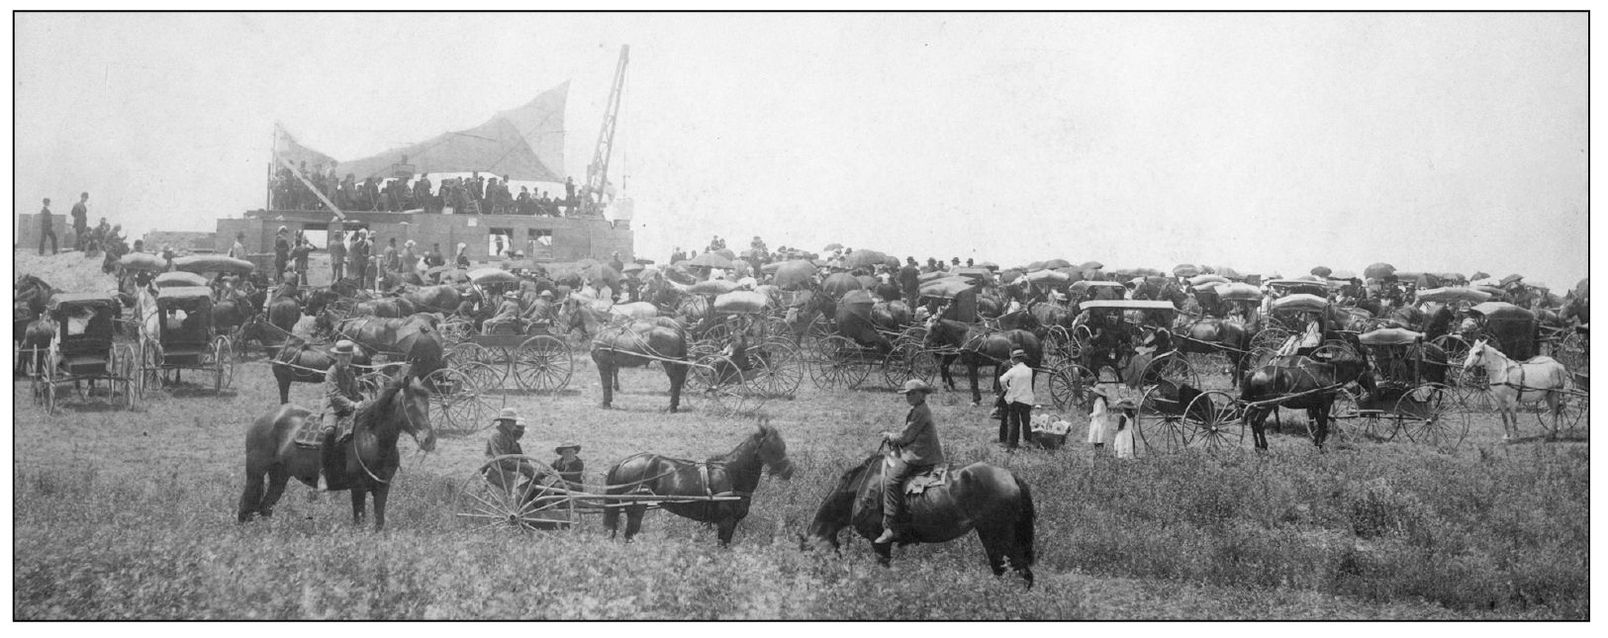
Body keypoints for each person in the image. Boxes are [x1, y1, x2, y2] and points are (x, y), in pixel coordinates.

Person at [875, 379, 945, 544]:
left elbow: (906, 436)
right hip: (920, 451)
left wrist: (890, 436)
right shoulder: (919, 409)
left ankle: (891, 526)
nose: (909, 396)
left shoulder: (920, 411)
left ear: (922, 394)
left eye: (912, 393)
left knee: (891, 480)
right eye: (907, 394)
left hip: (919, 455)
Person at [319, 340, 364, 491]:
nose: (347, 359)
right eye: (343, 356)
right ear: (337, 356)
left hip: (349, 407)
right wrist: (352, 404)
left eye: (349, 356)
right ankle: (323, 472)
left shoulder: (350, 371)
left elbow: (356, 393)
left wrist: (360, 402)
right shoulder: (332, 371)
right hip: (333, 407)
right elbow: (334, 394)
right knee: (330, 431)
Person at [997, 348, 1035, 449]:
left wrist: (1007, 388)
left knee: (1014, 423)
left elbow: (1002, 379)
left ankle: (1012, 445)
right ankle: (1027, 442)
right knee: (1026, 423)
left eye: (1013, 359)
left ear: (1017, 359)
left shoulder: (1013, 370)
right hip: (1027, 400)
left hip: (1015, 400)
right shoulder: (1029, 370)